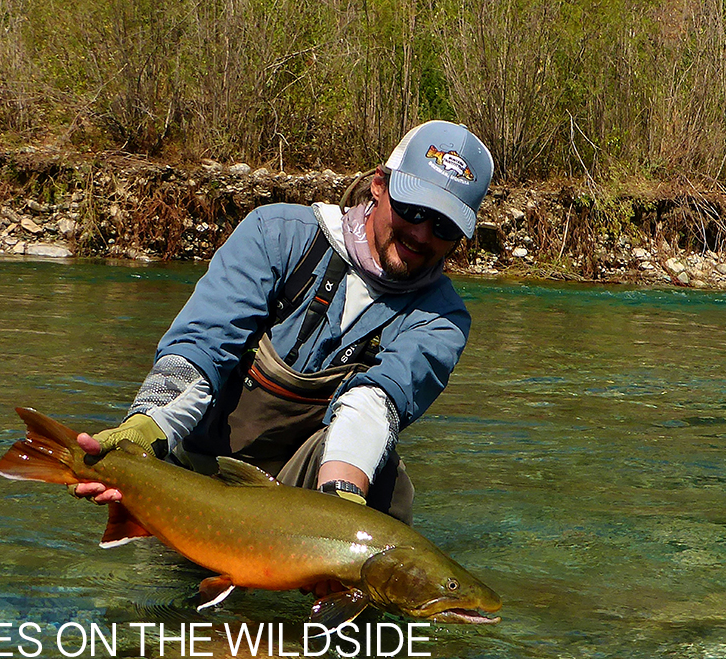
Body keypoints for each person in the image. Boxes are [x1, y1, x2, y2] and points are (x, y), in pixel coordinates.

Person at [73, 120, 493, 526]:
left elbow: (375, 405)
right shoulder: (276, 234)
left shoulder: (443, 318)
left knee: (386, 480)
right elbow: (203, 349)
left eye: (444, 225)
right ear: (379, 186)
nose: (422, 234)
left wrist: (340, 512)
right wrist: (144, 432)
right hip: (198, 477)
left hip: (304, 496)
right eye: (412, 209)